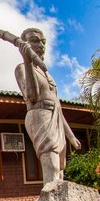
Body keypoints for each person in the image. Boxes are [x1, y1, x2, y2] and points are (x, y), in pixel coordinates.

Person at [14, 28, 81, 185]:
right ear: (25, 44)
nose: (41, 45)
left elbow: (58, 106)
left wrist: (70, 136)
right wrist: (27, 61)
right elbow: (31, 96)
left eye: (43, 42)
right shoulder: (22, 68)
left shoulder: (47, 74)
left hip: (54, 117)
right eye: (35, 41)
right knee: (51, 162)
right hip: (39, 115)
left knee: (60, 168)